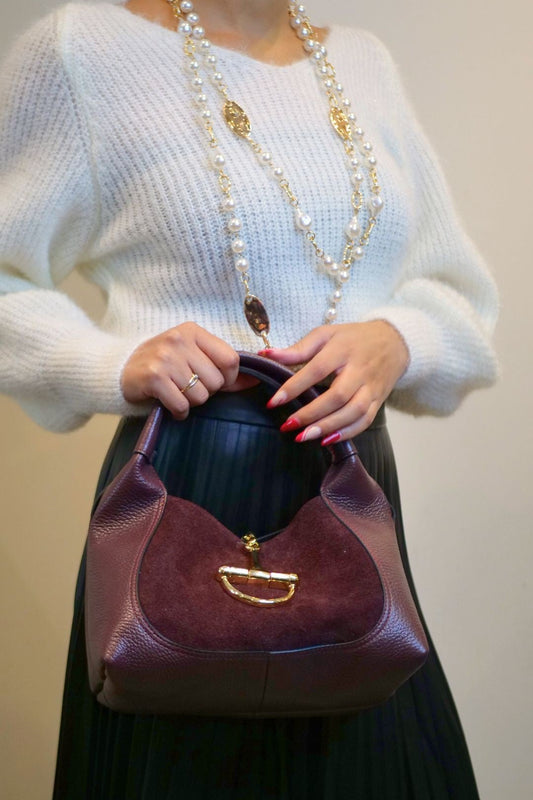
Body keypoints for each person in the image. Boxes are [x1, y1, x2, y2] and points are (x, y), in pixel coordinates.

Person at [0, 0, 498, 797]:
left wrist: (397, 339)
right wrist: (109, 359)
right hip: (193, 482)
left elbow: (455, 292)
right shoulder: (80, 52)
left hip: (350, 479)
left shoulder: (362, 62)